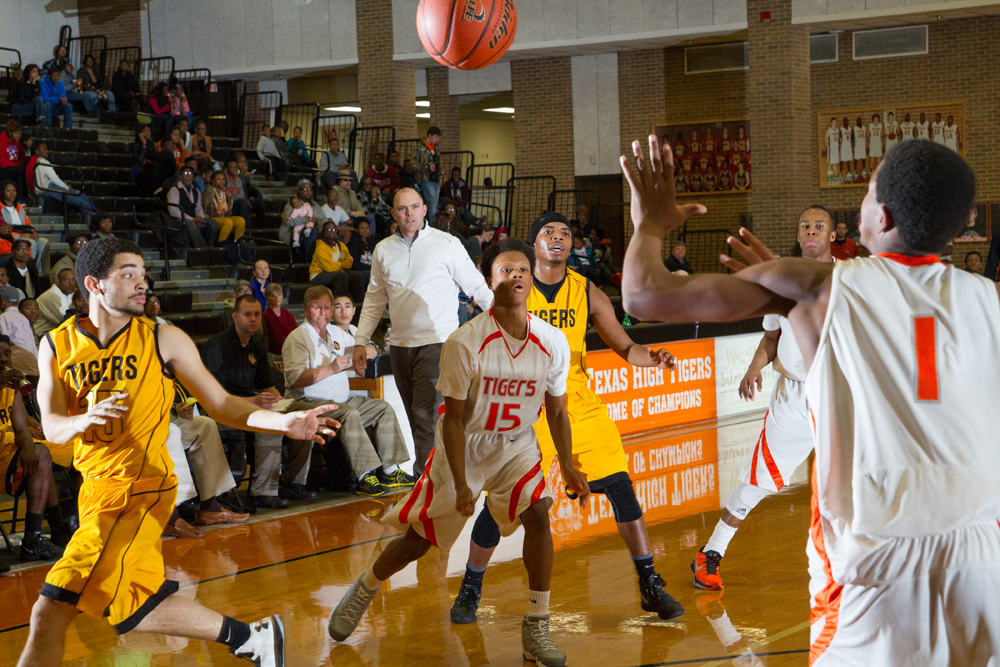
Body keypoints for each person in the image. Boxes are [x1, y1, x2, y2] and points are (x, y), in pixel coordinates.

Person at [621, 136, 1000, 663]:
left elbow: (643, 295)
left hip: (872, 556)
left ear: (883, 216)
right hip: (982, 557)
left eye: (867, 191)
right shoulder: (988, 300)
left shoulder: (819, 286)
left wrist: (650, 224)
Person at [16, 237, 336, 666]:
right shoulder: (56, 344)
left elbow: (220, 403)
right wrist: (81, 421)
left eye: (142, 274)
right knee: (131, 606)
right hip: (94, 492)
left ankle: (252, 639)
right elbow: (53, 427)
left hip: (140, 490)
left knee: (49, 609)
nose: (141, 283)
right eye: (127, 274)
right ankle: (252, 639)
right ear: (93, 284)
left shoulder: (163, 338)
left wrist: (283, 421)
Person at [331, 237, 589, 664]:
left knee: (539, 513)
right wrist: (463, 481)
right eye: (506, 270)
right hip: (465, 445)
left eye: (523, 270)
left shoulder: (552, 340)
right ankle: (366, 587)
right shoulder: (465, 342)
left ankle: (536, 625)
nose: (517, 276)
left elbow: (558, 411)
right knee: (419, 542)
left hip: (516, 444)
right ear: (489, 281)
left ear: (532, 280)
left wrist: (568, 462)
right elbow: (452, 419)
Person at [451, 213, 685, 628]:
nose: (558, 237)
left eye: (565, 233)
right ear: (534, 245)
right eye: (548, 232)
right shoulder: (512, 287)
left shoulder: (586, 290)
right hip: (524, 402)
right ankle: (470, 587)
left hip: (575, 399)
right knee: (503, 501)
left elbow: (624, 345)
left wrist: (651, 358)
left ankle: (649, 582)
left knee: (622, 487)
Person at [692, 205, 836, 591]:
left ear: (832, 235)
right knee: (759, 481)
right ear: (798, 234)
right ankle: (711, 552)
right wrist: (754, 367)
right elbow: (771, 338)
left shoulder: (850, 280)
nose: (811, 230)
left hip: (840, 395)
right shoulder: (781, 282)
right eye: (805, 225)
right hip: (794, 397)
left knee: (862, 480)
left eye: (818, 225)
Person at [352, 187, 495, 476]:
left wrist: (509, 323)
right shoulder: (383, 250)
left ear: (425, 210)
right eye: (402, 209)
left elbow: (478, 288)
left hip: (439, 344)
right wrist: (360, 340)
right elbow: (375, 299)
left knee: (426, 417)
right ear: (393, 214)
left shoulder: (447, 243)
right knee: (417, 420)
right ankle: (444, 477)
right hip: (399, 347)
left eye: (415, 207)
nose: (409, 214)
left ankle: (425, 483)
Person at [282, 286, 412, 496]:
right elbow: (295, 380)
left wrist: (368, 348)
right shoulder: (297, 338)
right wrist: (331, 369)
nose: (323, 313)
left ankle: (390, 471)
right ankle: (364, 476)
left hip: (339, 401)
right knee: (349, 413)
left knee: (382, 408)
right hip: (307, 401)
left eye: (327, 308)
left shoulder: (335, 332)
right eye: (317, 308)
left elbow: (364, 347)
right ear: (305, 310)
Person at [202, 295, 320, 508]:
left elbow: (266, 385)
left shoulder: (255, 345)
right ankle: (264, 491)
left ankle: (292, 482)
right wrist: (254, 401)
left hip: (250, 405)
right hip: (219, 410)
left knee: (305, 413)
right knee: (269, 423)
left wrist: (282, 401)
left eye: (257, 314)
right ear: (235, 317)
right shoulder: (218, 346)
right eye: (247, 314)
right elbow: (212, 397)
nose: (253, 319)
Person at [0, 332, 77, 562]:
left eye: (6, 353)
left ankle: (34, 538)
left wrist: (27, 445)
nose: (3, 359)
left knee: (41, 453)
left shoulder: (11, 387)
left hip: (4, 454)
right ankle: (58, 526)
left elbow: (20, 427)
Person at [32, 142, 99, 226]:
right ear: (37, 151)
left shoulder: (37, 162)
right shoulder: (44, 163)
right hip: (46, 188)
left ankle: (96, 213)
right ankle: (96, 216)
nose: (47, 151)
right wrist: (66, 187)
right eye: (44, 149)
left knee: (79, 193)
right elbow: (55, 179)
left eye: (46, 149)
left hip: (46, 187)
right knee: (77, 198)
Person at [167, 166, 219, 247]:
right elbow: (174, 211)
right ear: (180, 176)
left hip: (193, 219)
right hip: (178, 220)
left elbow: (198, 208)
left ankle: (211, 245)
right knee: (191, 224)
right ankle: (201, 248)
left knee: (212, 222)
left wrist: (200, 219)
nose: (188, 175)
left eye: (190, 173)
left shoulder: (196, 191)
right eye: (185, 173)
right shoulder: (174, 190)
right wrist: (192, 219)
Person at [310, 221, 357, 298]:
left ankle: (357, 302)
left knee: (356, 276)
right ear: (324, 232)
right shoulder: (320, 247)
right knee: (341, 276)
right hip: (318, 274)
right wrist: (341, 265)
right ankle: (339, 301)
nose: (331, 231)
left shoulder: (340, 245)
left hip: (337, 271)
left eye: (334, 229)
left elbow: (349, 261)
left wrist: (339, 265)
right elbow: (329, 268)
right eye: (329, 230)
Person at [202, 170, 246, 243]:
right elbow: (207, 209)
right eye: (218, 179)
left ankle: (237, 243)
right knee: (227, 222)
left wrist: (228, 197)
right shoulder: (209, 191)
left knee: (240, 221)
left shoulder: (225, 192)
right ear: (213, 181)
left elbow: (228, 209)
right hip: (211, 219)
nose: (221, 181)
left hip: (224, 218)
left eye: (223, 179)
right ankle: (221, 243)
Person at [412, 126, 442, 220]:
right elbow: (413, 162)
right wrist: (426, 167)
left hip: (435, 178)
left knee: (435, 203)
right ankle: (434, 224)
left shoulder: (436, 147)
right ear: (430, 135)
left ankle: (433, 223)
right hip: (425, 178)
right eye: (435, 137)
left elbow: (436, 162)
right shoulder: (420, 146)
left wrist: (439, 170)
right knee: (432, 203)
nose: (437, 140)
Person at [35, 268, 76, 336]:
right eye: (67, 279)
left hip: (55, 333)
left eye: (73, 279)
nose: (71, 283)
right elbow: (66, 321)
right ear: (58, 281)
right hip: (42, 334)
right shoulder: (52, 296)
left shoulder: (69, 294)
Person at [0, 285, 37, 357]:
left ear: (2, 301)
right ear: (17, 302)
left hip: (18, 357)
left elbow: (5, 343)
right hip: (33, 357)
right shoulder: (23, 317)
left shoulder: (3, 317)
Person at [263, 284, 295, 355]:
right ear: (267, 299)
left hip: (292, 347)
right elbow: (277, 340)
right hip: (277, 352)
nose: (277, 297)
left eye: (279, 294)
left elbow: (296, 331)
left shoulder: (287, 313)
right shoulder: (267, 315)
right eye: (273, 295)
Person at [346, 219, 376, 287]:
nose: (365, 230)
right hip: (357, 271)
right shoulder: (353, 243)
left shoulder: (371, 242)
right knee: (374, 275)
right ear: (357, 230)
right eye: (362, 228)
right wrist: (372, 268)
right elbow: (356, 264)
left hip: (370, 268)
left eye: (367, 228)